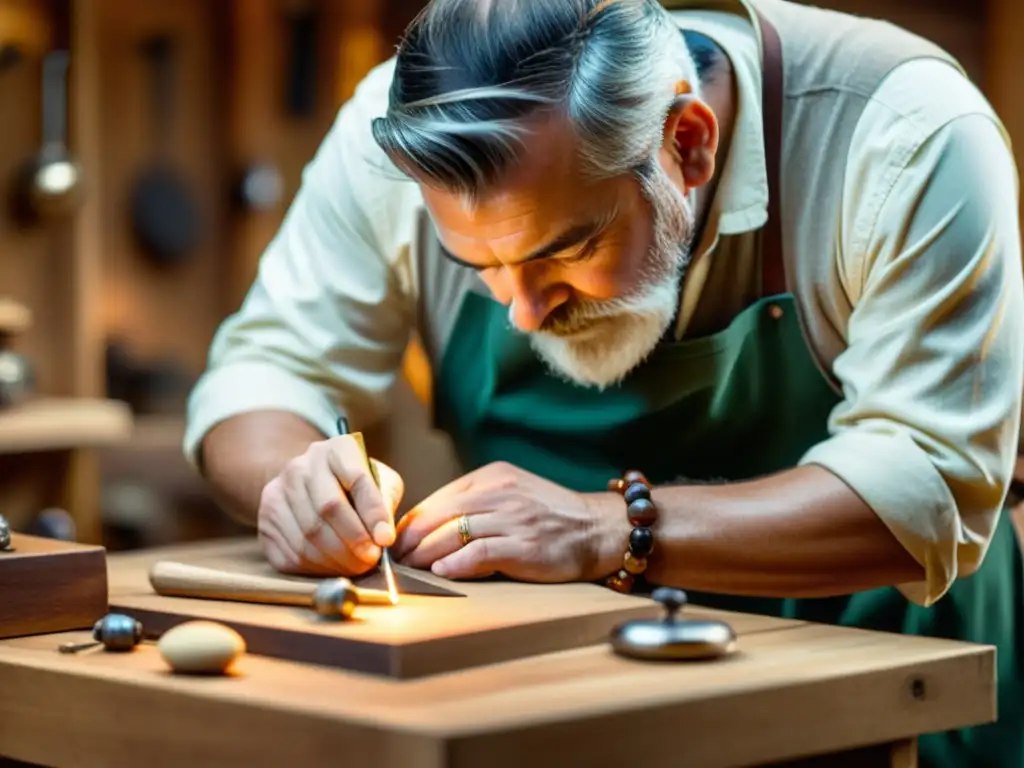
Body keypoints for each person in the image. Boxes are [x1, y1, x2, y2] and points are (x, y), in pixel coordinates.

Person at [185, 0, 1023, 764]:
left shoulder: (900, 131)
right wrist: (296, 483)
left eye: (567, 250)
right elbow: (266, 372)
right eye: (474, 264)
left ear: (686, 144)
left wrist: (606, 529)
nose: (519, 312)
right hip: (571, 706)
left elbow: (926, 484)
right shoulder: (401, 135)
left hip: (892, 704)